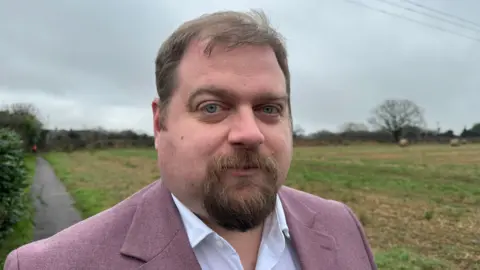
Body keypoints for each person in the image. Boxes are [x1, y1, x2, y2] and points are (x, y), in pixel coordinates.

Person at [4, 10, 377, 270]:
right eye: (212, 107)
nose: (250, 133)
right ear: (159, 121)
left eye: (269, 108)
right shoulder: (49, 265)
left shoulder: (340, 225)